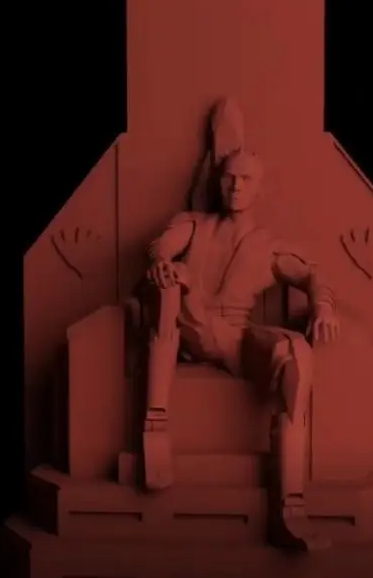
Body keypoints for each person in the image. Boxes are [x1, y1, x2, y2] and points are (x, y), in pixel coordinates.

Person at [142, 147, 340, 550]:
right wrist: (163, 262)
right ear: (218, 182)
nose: (236, 186)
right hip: (189, 323)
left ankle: (290, 506)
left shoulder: (269, 246)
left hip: (235, 338)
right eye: (230, 177)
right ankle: (155, 426)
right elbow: (161, 246)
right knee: (174, 278)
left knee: (296, 353)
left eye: (246, 179)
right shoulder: (194, 225)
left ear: (259, 189)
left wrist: (323, 306)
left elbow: (312, 276)